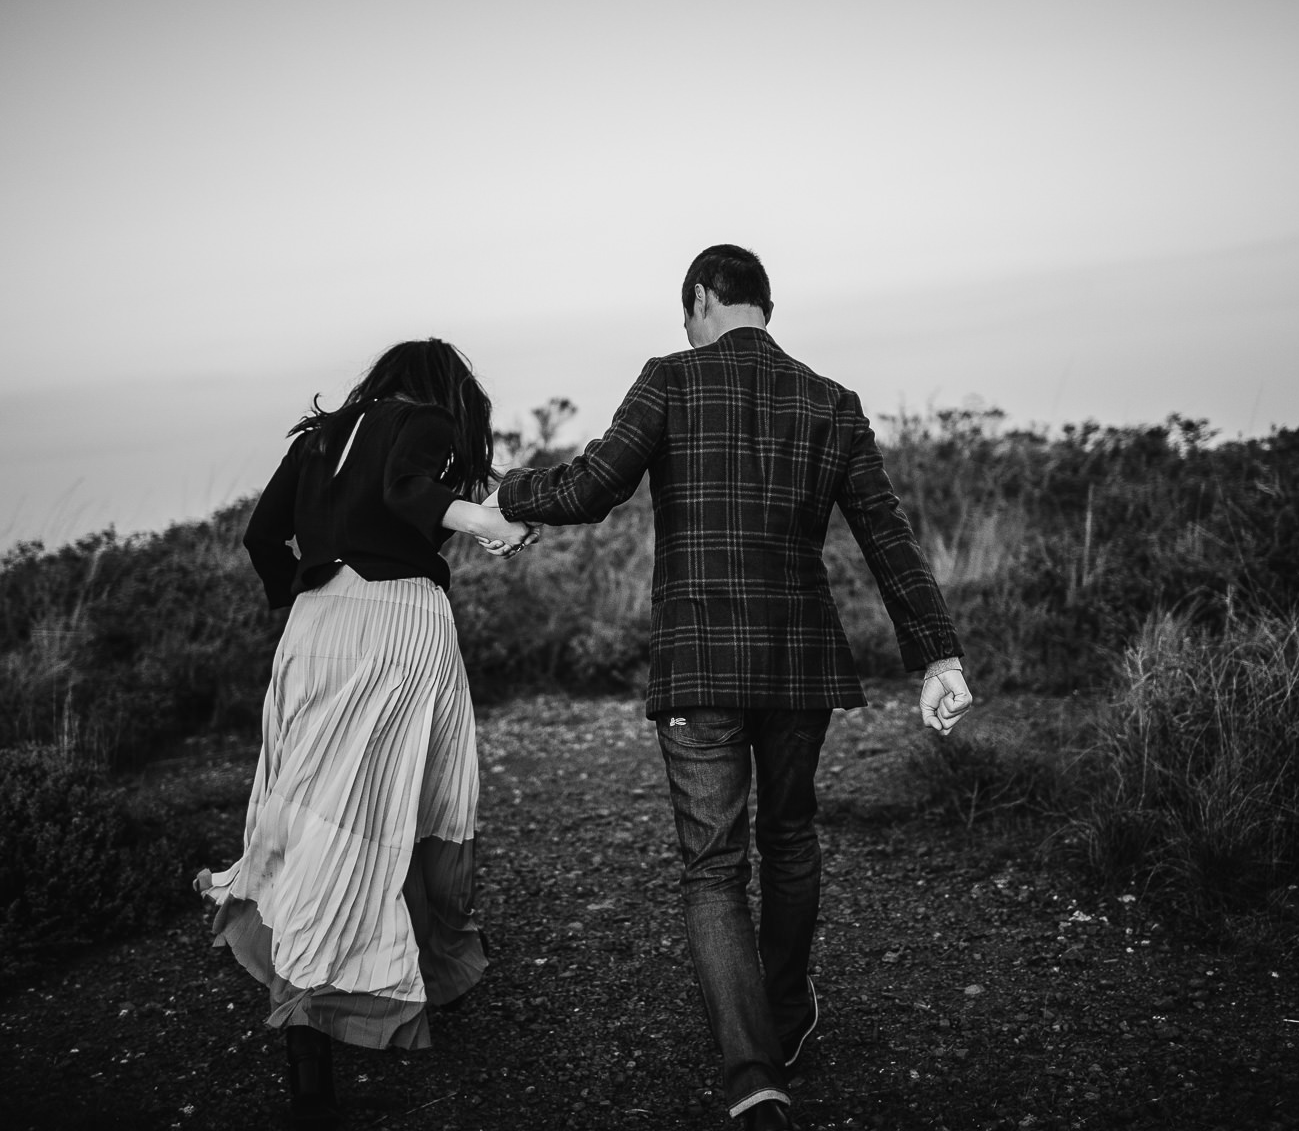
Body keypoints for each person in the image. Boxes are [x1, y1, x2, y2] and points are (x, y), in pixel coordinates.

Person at [490, 245, 973, 1129]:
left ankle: (753, 1079)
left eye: (688, 313)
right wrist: (939, 657)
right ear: (766, 303)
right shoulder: (833, 401)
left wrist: (510, 498)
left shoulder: (670, 379)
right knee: (789, 838)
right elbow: (887, 536)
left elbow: (597, 485)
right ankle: (785, 1018)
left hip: (700, 662)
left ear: (703, 299)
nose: (688, 328)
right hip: (798, 665)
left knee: (713, 871)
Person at [196, 338, 537, 1128]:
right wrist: (488, 520)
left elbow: (259, 538)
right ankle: (351, 994)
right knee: (401, 807)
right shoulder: (420, 420)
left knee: (309, 813)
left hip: (310, 630)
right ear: (443, 393)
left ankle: (318, 1044)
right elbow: (408, 487)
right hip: (396, 627)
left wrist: (311, 590)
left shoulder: (318, 439)